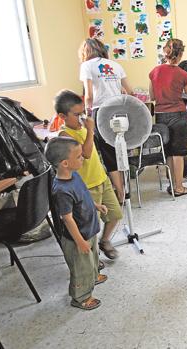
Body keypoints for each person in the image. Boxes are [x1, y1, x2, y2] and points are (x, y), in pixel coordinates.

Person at [56, 90, 123, 260]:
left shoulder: (83, 128)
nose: (81, 118)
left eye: (83, 113)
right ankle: (92, 259)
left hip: (101, 178)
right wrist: (90, 130)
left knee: (115, 214)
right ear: (62, 116)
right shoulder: (64, 135)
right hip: (86, 186)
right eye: (76, 115)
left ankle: (105, 241)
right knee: (90, 226)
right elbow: (85, 153)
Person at [46, 136, 108, 310]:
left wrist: (96, 205)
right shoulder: (61, 190)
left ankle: (94, 276)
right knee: (81, 268)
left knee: (93, 258)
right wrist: (79, 241)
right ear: (65, 163)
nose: (83, 158)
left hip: (89, 229)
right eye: (79, 156)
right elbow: (67, 218)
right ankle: (81, 297)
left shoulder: (75, 176)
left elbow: (84, 196)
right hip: (77, 237)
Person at [79, 38, 133, 203]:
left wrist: (86, 114)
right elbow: (130, 91)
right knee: (120, 149)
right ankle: (126, 189)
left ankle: (121, 193)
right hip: (119, 110)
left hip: (100, 112)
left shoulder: (86, 66)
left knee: (108, 154)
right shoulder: (115, 65)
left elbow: (89, 95)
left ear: (85, 52)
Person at [149, 38, 187, 197]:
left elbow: (152, 96)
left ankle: (172, 184)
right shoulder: (184, 74)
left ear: (165, 52)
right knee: (178, 152)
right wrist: (183, 93)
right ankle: (179, 187)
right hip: (178, 115)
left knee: (169, 151)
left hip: (160, 115)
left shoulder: (154, 72)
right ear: (180, 54)